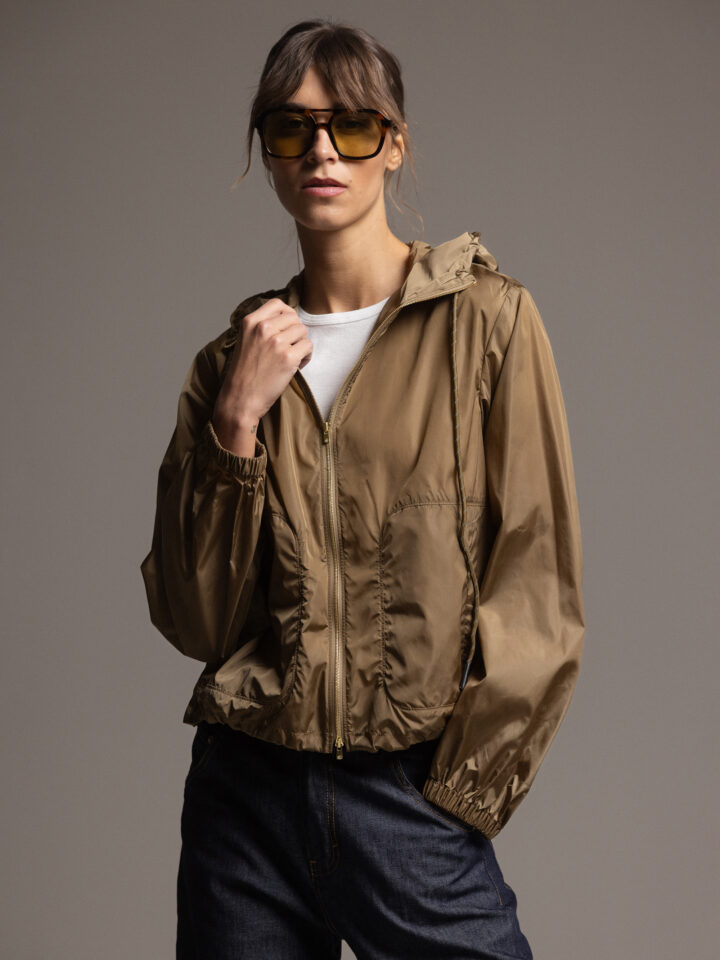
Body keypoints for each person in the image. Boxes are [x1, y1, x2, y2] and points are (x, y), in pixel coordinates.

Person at [140, 17, 585, 960]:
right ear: (267, 152)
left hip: (409, 796)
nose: (322, 152)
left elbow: (536, 581)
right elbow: (196, 622)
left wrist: (463, 793)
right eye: (291, 128)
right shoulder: (229, 364)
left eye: (351, 125)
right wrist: (235, 427)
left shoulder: (487, 325)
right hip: (244, 802)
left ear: (395, 142)